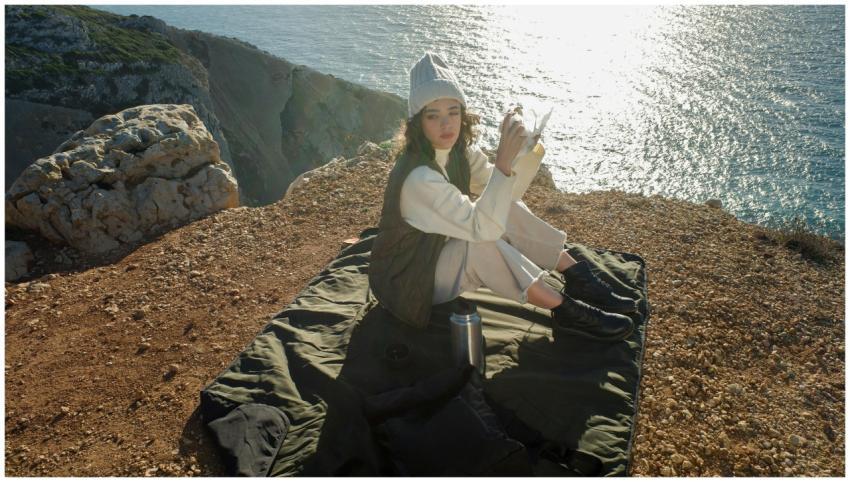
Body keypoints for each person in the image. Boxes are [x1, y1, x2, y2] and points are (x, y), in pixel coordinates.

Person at [369, 52, 637, 342]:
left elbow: (507, 195)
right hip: (408, 282)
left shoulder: (458, 152)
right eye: (433, 116)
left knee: (503, 207)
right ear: (417, 122)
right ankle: (566, 311)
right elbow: (484, 229)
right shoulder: (419, 178)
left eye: (453, 112)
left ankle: (578, 278)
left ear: (463, 114)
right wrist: (503, 162)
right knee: (481, 244)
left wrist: (523, 149)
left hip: (437, 252)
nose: (447, 124)